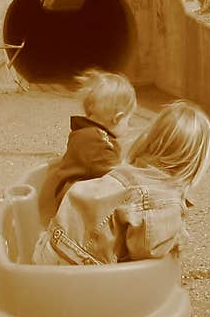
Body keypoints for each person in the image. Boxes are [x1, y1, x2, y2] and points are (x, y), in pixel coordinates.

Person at [33, 99, 210, 266]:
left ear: (151, 138)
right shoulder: (162, 199)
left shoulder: (128, 170)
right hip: (75, 268)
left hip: (48, 248)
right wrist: (175, 239)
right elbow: (148, 250)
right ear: (196, 162)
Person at [37, 68, 137, 224]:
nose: (129, 126)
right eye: (128, 120)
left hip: (68, 203)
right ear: (117, 118)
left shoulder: (84, 133)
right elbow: (118, 181)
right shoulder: (99, 145)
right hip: (75, 216)